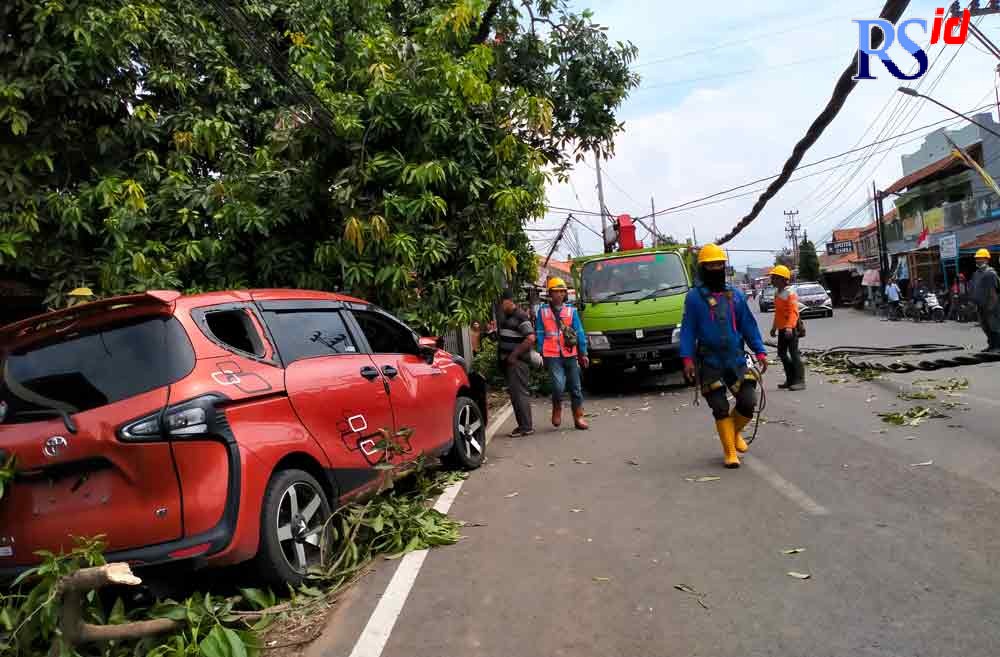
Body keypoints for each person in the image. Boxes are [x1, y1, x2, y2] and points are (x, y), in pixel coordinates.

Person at [680, 244, 768, 469]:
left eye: (719, 264)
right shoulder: (694, 298)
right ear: (703, 268)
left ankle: (735, 431)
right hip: (709, 362)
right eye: (711, 265)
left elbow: (748, 324)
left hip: (736, 359)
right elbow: (688, 330)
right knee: (719, 407)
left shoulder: (736, 295)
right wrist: (687, 359)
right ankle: (730, 451)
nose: (716, 268)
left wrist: (760, 350)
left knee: (748, 402)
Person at [536, 277, 589, 430]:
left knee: (575, 388)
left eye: (561, 292)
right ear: (550, 294)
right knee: (558, 387)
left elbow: (579, 332)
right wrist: (541, 351)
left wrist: (583, 353)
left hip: (570, 353)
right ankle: (557, 407)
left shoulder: (571, 311)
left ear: (565, 294)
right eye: (555, 291)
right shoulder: (543, 311)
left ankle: (578, 416)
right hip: (552, 355)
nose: (559, 294)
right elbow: (539, 332)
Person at [488, 290, 536, 436]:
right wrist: (491, 333)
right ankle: (523, 425)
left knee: (519, 394)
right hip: (510, 363)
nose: (501, 306)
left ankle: (526, 427)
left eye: (502, 303)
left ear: (509, 301)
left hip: (517, 363)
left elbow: (530, 338)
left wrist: (514, 355)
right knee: (515, 395)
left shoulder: (520, 316)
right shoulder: (507, 318)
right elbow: (504, 338)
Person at [769, 265, 805, 391]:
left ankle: (800, 381)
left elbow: (793, 312)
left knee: (794, 354)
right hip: (782, 329)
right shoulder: (777, 293)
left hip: (791, 328)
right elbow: (778, 313)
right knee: (782, 353)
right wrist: (774, 328)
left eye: (774, 277)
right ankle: (790, 379)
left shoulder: (790, 293)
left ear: (783, 279)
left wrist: (789, 327)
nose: (772, 280)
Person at [971, 248, 1000, 352]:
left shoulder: (990, 273)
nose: (978, 260)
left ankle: (997, 346)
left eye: (980, 258)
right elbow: (973, 288)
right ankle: (991, 345)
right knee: (985, 326)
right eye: (977, 258)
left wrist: (991, 306)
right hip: (980, 305)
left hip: (991, 305)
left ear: (987, 260)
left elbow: (994, 292)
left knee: (994, 326)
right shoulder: (976, 274)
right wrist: (974, 303)